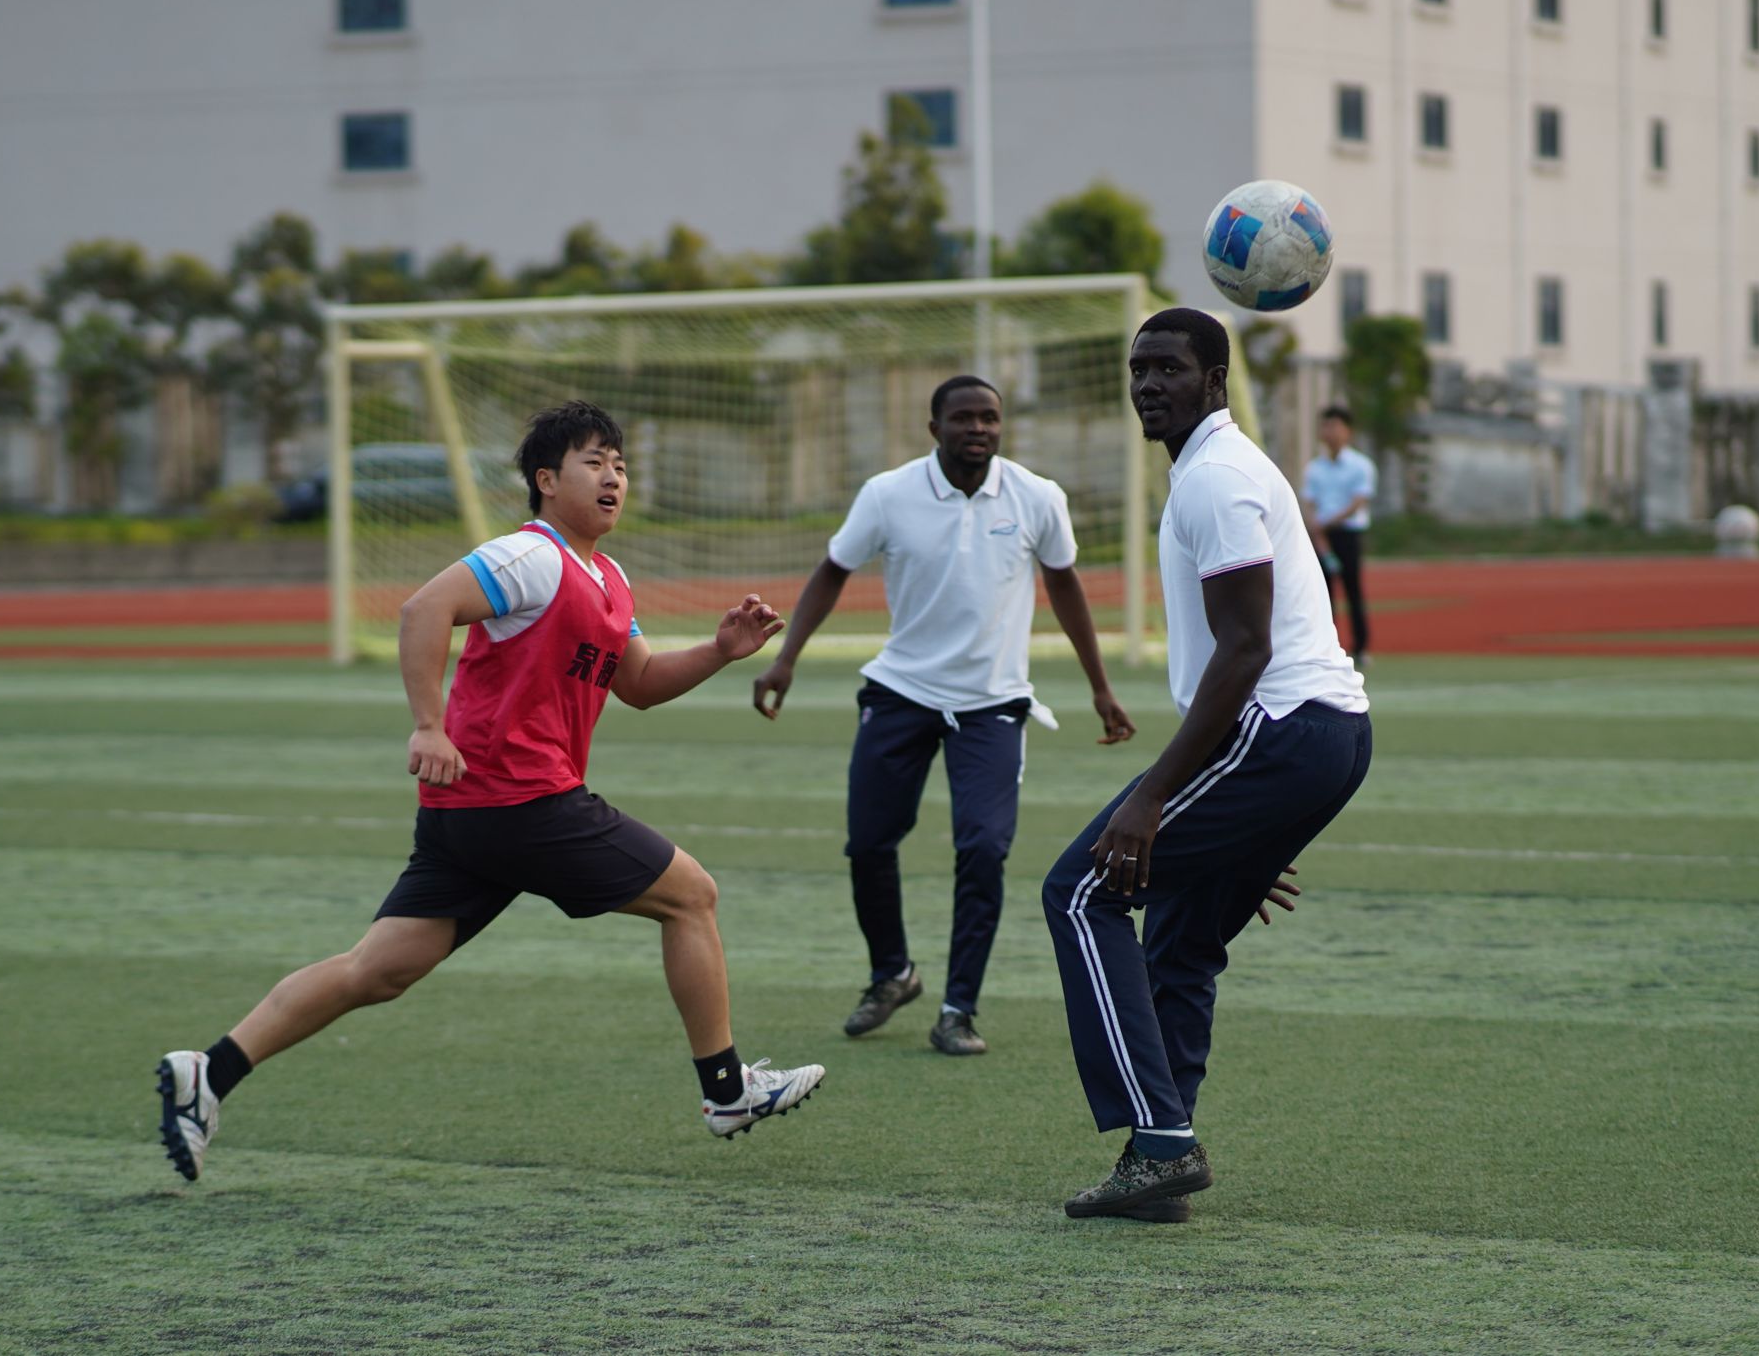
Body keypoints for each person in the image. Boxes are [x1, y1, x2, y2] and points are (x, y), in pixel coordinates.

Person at [156, 401, 825, 1182]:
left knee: (378, 968)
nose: (613, 476)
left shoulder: (608, 577)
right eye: (593, 461)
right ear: (547, 480)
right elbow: (424, 608)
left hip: (472, 814)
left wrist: (719, 650)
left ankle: (210, 1072)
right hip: (521, 799)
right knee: (692, 895)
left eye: (619, 463)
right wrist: (427, 724)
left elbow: (638, 683)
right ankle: (728, 1090)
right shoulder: (529, 556)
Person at [1043, 310, 1371, 1223]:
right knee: (1180, 943)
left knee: (1081, 891)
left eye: (1170, 369)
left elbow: (1247, 648)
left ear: (1215, 381)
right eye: (1139, 369)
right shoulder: (1214, 468)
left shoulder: (1217, 477)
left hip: (1282, 728)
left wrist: (1152, 796)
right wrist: (1239, 831)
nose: (1149, 384)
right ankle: (1156, 1166)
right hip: (1319, 736)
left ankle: (1161, 1140)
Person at [752, 375, 1135, 1057]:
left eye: (989, 417)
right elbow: (834, 568)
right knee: (869, 843)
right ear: (934, 428)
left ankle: (959, 1008)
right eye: (963, 418)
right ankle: (892, 973)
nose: (978, 428)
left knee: (983, 848)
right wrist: (786, 658)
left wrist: (1099, 687)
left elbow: (1064, 583)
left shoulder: (1037, 497)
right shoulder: (888, 494)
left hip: (993, 703)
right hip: (900, 692)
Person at [1302, 405, 1377, 665]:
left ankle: (1361, 648)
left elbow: (1358, 502)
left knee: (1353, 590)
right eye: (1325, 426)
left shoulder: (1360, 465)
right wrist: (1317, 531)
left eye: (1334, 426)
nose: (1329, 431)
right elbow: (1310, 502)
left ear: (1347, 431)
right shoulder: (1314, 468)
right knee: (1323, 593)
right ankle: (1328, 648)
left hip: (1347, 534)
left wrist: (1327, 523)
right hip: (1321, 537)